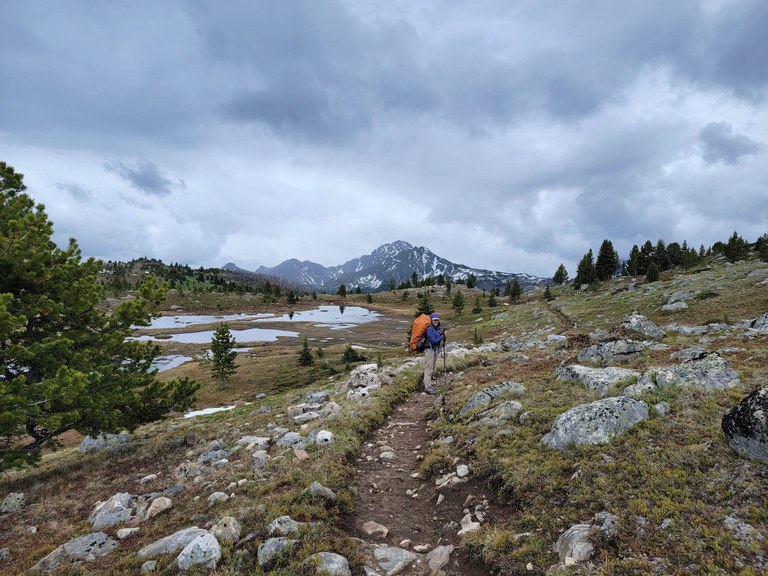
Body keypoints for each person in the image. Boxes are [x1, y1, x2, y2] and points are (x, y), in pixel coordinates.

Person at [422, 313, 446, 394]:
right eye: (434, 320)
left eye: (437, 320)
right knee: (429, 368)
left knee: (431, 367)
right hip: (429, 350)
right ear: (431, 321)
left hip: (435, 350)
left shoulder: (437, 328)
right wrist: (442, 336)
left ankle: (426, 384)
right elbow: (433, 340)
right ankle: (427, 388)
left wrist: (442, 335)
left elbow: (438, 338)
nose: (436, 321)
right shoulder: (429, 329)